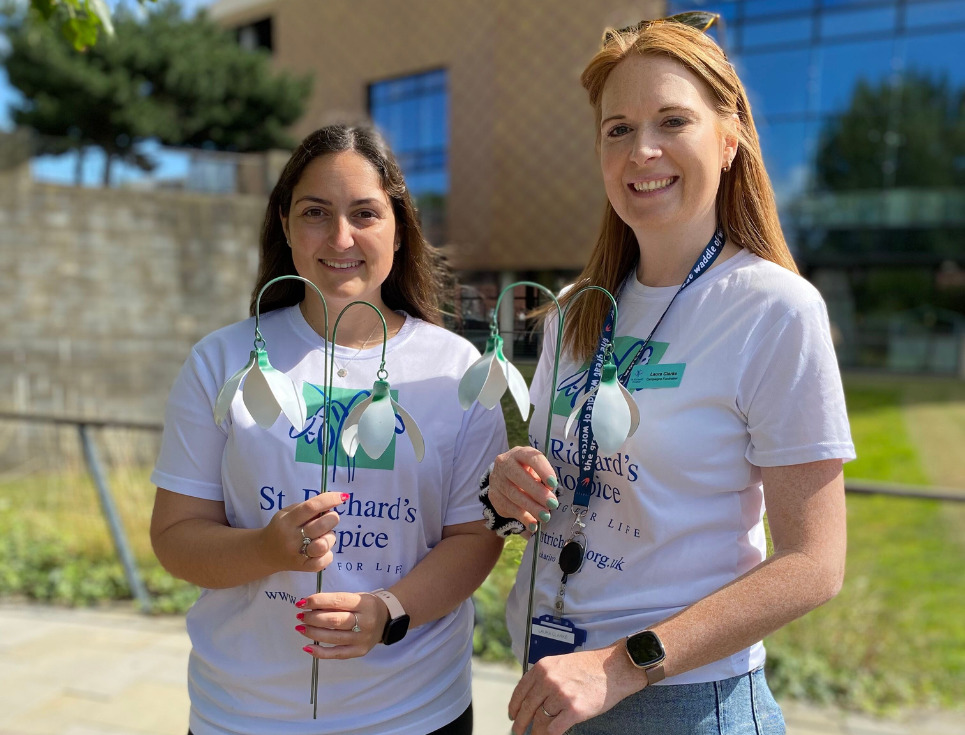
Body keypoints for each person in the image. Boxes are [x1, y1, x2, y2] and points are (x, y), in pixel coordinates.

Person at [482, 14, 855, 735]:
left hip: (684, 701)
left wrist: (619, 666)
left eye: (671, 120)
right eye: (616, 128)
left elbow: (814, 563)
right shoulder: (573, 313)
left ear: (728, 136)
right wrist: (507, 489)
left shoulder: (774, 308)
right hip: (553, 685)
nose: (640, 149)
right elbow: (571, 484)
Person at [150, 123, 507, 735]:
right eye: (317, 213)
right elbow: (176, 535)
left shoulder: (457, 371)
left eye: (365, 213)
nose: (341, 237)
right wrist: (265, 549)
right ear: (285, 224)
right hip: (246, 712)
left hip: (414, 712)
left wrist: (388, 611)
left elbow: (475, 538)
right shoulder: (222, 360)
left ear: (398, 225)